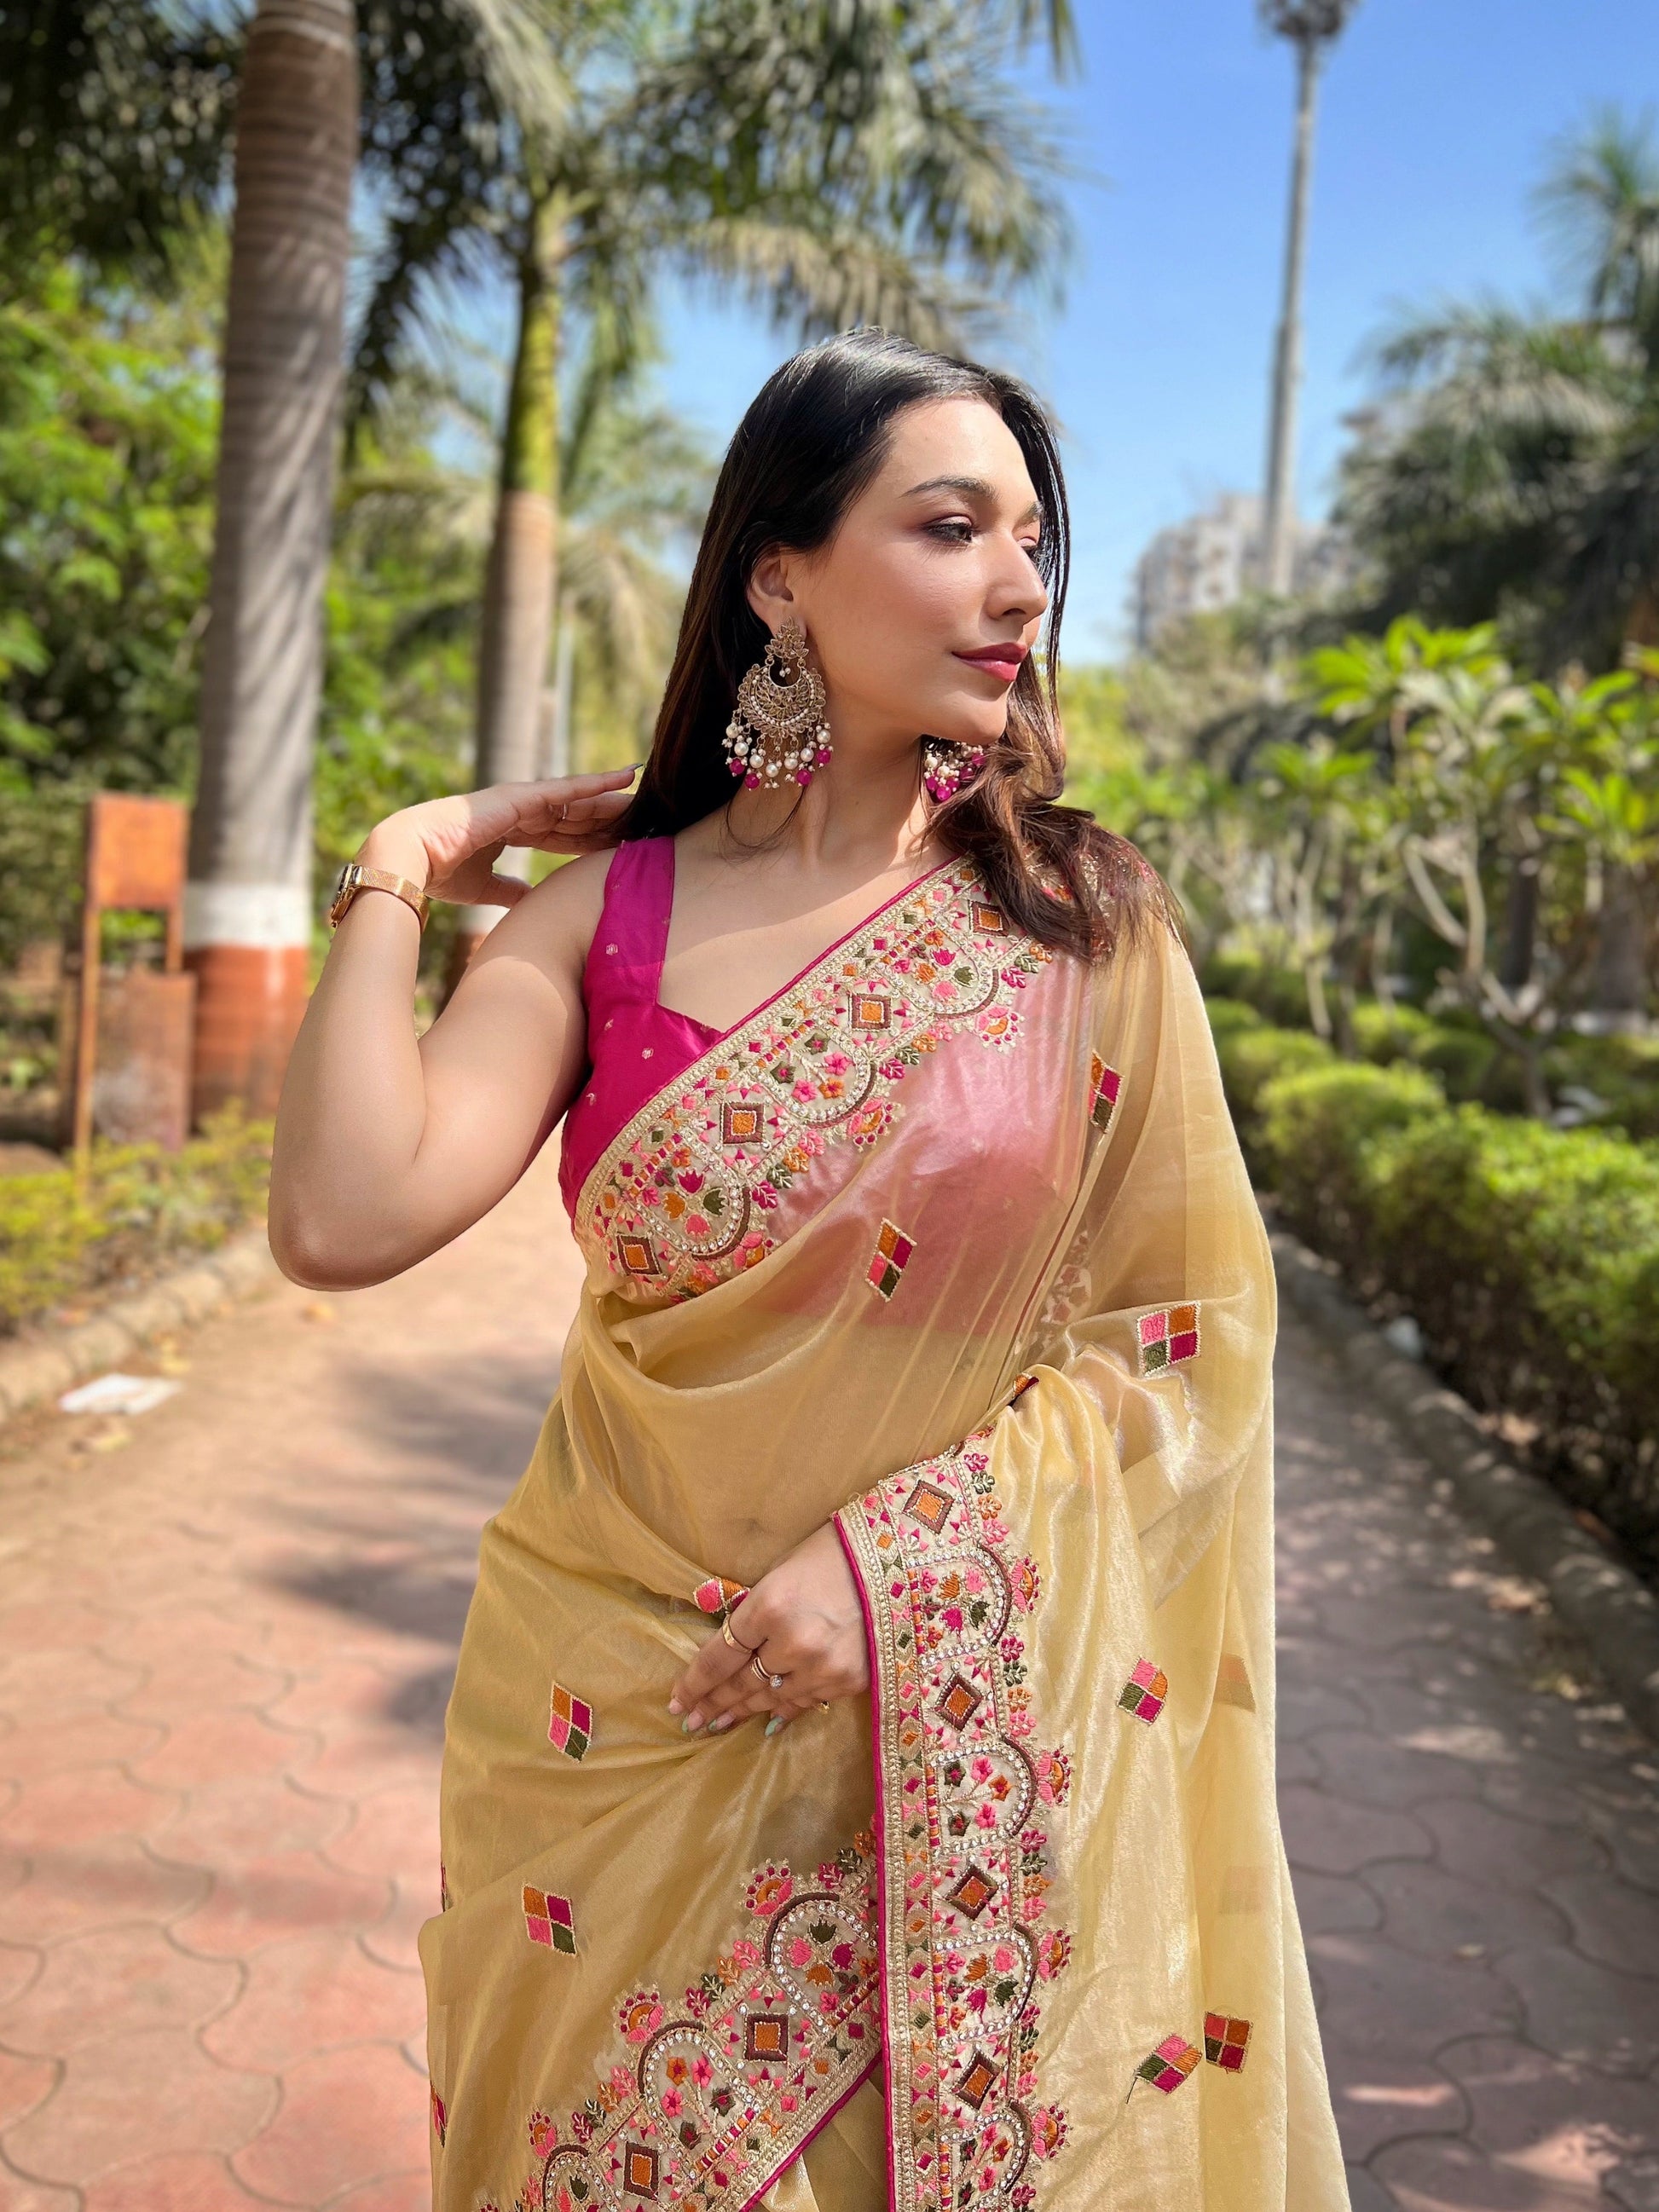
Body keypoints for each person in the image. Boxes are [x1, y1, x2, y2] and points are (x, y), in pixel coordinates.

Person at [269, 329, 1346, 2212]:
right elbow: (344, 1218)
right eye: (949, 526)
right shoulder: (610, 912)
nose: (1018, 586)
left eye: (1032, 541)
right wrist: (402, 861)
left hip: (931, 1735)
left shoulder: (1076, 926)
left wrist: (907, 1559)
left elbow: (1181, 1336)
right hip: (601, 1715)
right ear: (780, 576)